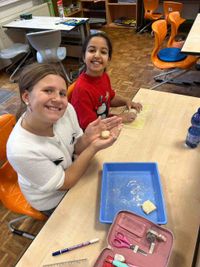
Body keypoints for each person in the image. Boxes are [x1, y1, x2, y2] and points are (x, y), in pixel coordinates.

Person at [6, 63, 122, 217]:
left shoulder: (66, 111)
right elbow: (65, 182)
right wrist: (93, 147)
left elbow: (75, 148)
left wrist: (87, 138)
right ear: (27, 96)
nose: (58, 99)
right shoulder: (20, 149)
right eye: (48, 91)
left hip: (73, 171)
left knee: (114, 192)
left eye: (62, 93)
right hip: (53, 198)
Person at [70, 32, 142, 130]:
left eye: (103, 52)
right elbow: (90, 127)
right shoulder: (81, 90)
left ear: (108, 59)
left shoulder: (104, 76)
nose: (97, 55)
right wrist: (120, 118)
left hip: (105, 124)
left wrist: (126, 101)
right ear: (83, 57)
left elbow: (110, 98)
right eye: (92, 50)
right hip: (90, 135)